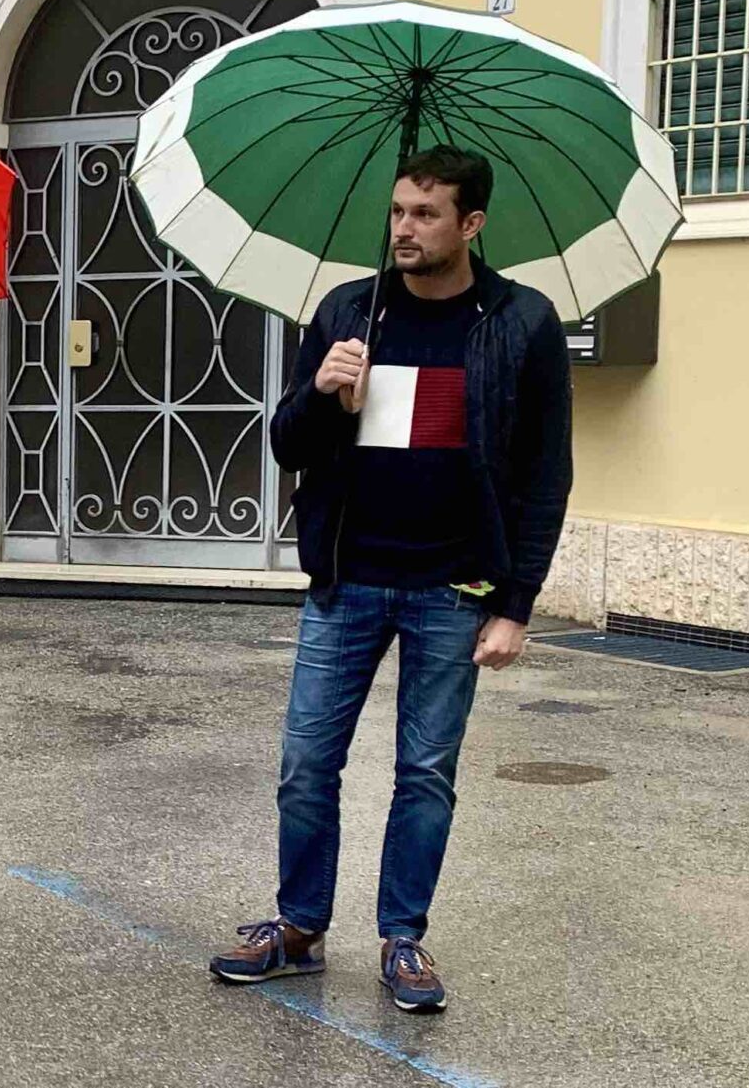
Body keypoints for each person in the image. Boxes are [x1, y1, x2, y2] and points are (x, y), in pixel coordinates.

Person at [208, 145, 573, 1013]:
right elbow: (289, 444)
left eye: (425, 214)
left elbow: (543, 473)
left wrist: (516, 604)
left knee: (425, 772)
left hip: (454, 587)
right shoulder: (349, 308)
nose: (403, 228)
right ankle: (298, 928)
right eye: (399, 210)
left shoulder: (520, 321)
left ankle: (402, 936)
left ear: (471, 224)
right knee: (305, 762)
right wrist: (322, 394)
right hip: (348, 577)